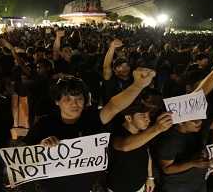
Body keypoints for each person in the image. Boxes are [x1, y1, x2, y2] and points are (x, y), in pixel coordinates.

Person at [24, 67, 156, 192]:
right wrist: (41, 147)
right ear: (57, 101)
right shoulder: (44, 124)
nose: (74, 103)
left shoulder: (92, 119)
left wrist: (138, 85)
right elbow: (25, 156)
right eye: (67, 99)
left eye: (79, 98)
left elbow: (114, 106)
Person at [107, 103, 173, 192]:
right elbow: (124, 146)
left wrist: (150, 177)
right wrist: (157, 129)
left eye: (148, 115)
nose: (148, 119)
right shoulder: (116, 133)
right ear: (128, 118)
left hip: (140, 186)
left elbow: (147, 153)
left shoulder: (143, 133)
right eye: (142, 115)